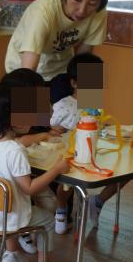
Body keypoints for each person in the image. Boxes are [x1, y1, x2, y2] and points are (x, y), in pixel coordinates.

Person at [0, 81, 71, 262]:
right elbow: (29, 188)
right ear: (16, 122)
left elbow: (18, 143)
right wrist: (56, 169)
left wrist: (41, 135)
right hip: (9, 218)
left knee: (11, 203)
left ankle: (12, 255)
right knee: (47, 220)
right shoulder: (15, 151)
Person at [4, 0, 110, 105]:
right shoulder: (43, 11)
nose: (82, 10)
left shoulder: (98, 13)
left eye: (92, 3)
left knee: (72, 113)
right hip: (25, 68)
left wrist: (89, 107)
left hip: (60, 70)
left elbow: (85, 61)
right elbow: (28, 71)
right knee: (33, 116)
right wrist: (29, 112)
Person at [47, 53, 116, 234]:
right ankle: (61, 208)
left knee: (120, 172)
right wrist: (58, 130)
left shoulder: (94, 102)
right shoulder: (63, 105)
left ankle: (98, 201)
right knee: (69, 182)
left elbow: (98, 124)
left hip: (93, 150)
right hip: (69, 153)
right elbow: (53, 129)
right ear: (74, 83)